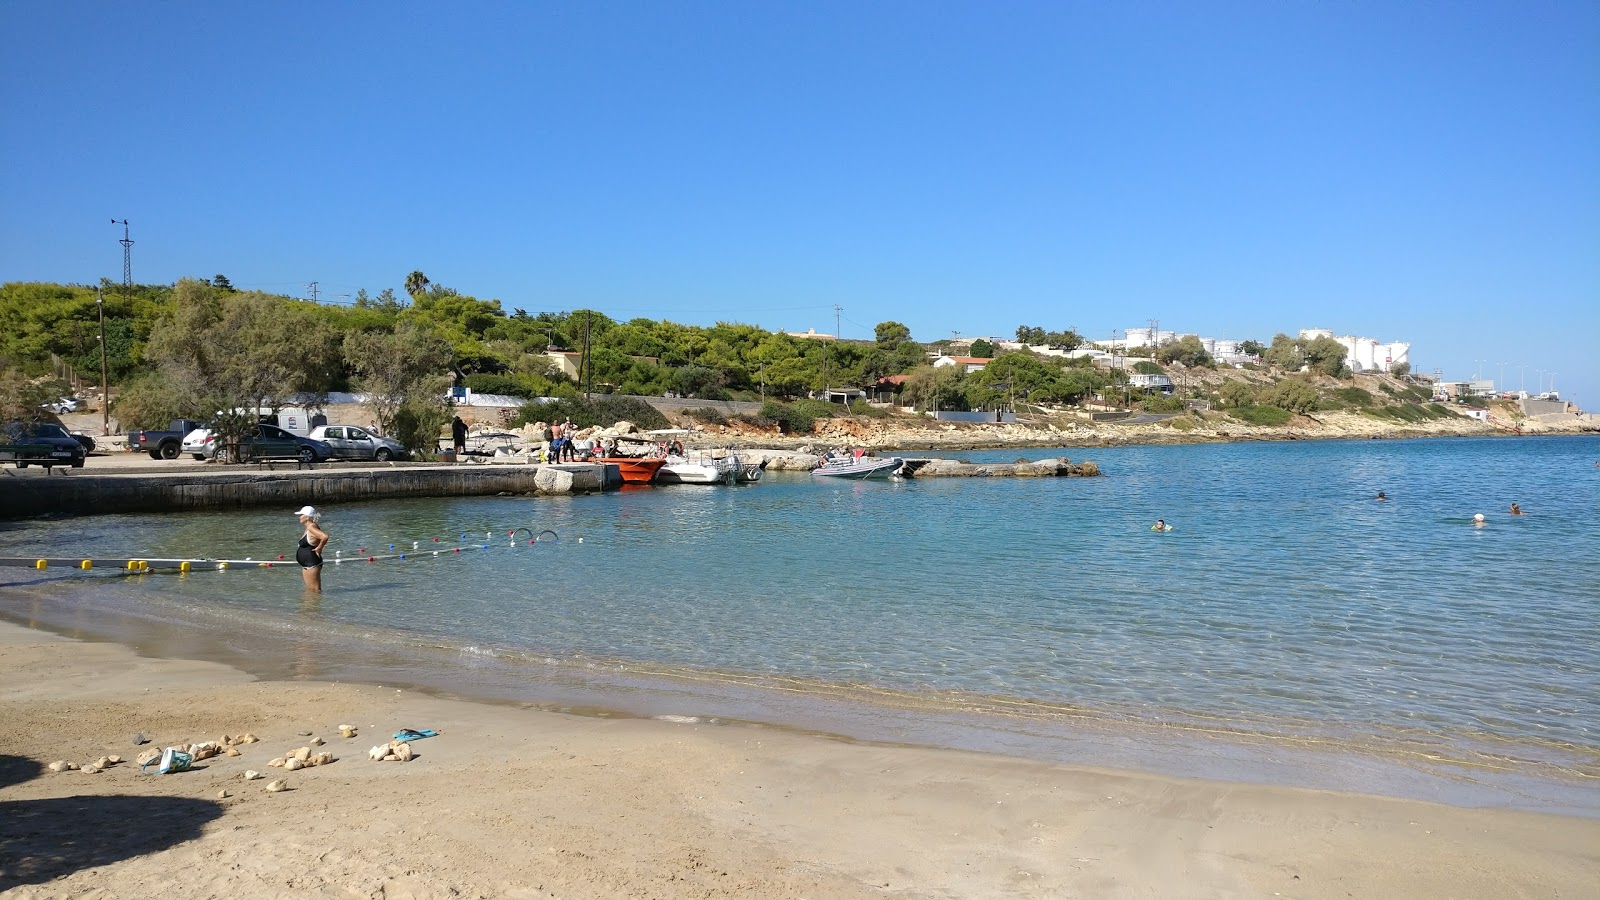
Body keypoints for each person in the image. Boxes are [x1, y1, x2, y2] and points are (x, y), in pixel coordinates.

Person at [294, 505, 329, 592]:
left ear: (307, 517)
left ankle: (316, 605)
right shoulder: (309, 528)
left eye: (301, 515)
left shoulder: (312, 527)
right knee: (310, 591)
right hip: (306, 564)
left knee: (316, 591)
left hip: (312, 563)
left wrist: (319, 548)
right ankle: (310, 606)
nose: (299, 517)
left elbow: (325, 536)